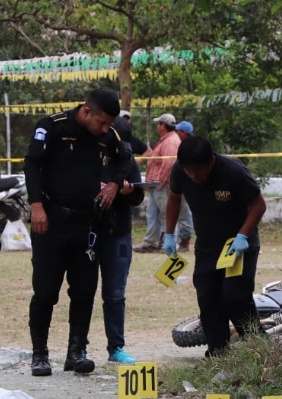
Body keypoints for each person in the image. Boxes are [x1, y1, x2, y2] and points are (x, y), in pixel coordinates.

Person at [23, 87, 131, 377]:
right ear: (86, 112)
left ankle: (76, 353)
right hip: (51, 221)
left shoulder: (108, 135)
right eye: (102, 123)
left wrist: (114, 183)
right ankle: (40, 355)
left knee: (84, 292)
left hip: (87, 225)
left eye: (110, 124)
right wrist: (36, 206)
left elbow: (125, 158)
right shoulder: (52, 127)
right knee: (45, 292)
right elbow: (31, 163)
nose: (106, 129)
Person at [163, 136, 266, 356]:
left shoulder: (233, 172)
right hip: (207, 245)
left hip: (236, 247)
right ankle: (218, 353)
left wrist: (243, 236)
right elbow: (174, 198)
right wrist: (169, 234)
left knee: (235, 297)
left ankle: (259, 348)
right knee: (208, 298)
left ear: (211, 161)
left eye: (197, 171)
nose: (193, 176)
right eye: (188, 171)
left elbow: (259, 205)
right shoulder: (180, 171)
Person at [100, 116, 145, 364]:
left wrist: (127, 193)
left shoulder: (128, 160)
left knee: (115, 294)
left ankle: (116, 348)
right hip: (90, 231)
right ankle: (78, 350)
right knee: (82, 294)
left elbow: (137, 198)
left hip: (119, 235)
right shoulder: (90, 157)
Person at [133, 113, 181, 253]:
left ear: (162, 125)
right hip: (156, 186)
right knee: (152, 215)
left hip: (163, 186)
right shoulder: (166, 140)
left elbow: (169, 163)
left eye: (158, 123)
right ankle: (151, 242)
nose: (157, 126)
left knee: (167, 215)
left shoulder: (171, 142)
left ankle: (170, 243)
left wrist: (159, 182)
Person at [173, 121, 195, 252]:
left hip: (189, 185)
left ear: (183, 133)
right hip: (183, 184)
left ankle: (185, 242)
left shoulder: (191, 147)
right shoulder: (183, 145)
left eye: (178, 131)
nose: (176, 133)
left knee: (185, 215)